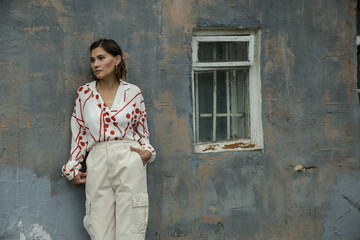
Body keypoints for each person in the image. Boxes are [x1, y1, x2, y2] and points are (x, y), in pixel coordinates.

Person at [61, 39, 155, 240]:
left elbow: (142, 132)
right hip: (98, 160)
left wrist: (146, 153)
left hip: (129, 157)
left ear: (117, 60)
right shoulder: (84, 93)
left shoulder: (133, 92)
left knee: (132, 224)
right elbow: (79, 132)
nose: (95, 64)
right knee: (99, 225)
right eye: (92, 59)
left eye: (101, 58)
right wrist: (73, 167)